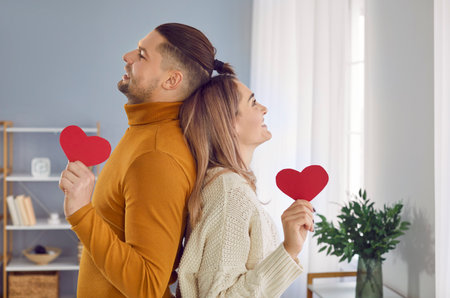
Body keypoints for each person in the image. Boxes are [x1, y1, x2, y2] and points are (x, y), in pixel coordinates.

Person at [59, 23, 229, 297]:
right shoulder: (146, 134)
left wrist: (80, 212)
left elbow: (148, 284)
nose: (127, 56)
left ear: (171, 80)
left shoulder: (156, 155)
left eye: (141, 54)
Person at [176, 73, 315, 297]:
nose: (264, 108)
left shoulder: (227, 186)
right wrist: (289, 250)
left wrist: (289, 250)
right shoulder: (229, 194)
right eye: (253, 102)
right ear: (230, 124)